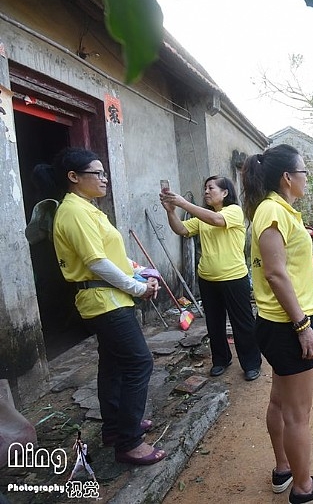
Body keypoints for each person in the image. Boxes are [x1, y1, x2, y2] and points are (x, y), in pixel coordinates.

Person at [33, 148, 165, 465]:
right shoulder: (74, 212)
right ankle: (129, 442)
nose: (104, 179)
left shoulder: (88, 209)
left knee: (114, 364)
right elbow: (96, 262)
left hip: (110, 300)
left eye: (105, 173)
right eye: (98, 173)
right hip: (105, 303)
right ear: (74, 177)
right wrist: (138, 287)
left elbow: (111, 256)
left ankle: (116, 429)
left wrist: (139, 271)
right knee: (139, 363)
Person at [242, 144, 313, 503]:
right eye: (303, 172)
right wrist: (302, 326)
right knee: (298, 414)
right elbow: (275, 273)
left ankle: (283, 470)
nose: (306, 179)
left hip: (280, 320)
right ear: (287, 177)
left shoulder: (277, 210)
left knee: (280, 402)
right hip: (288, 322)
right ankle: (303, 488)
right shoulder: (272, 211)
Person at [160, 176, 262, 381]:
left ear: (225, 193)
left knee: (242, 323)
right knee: (214, 323)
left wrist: (183, 203)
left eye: (211, 188)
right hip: (207, 278)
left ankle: (251, 363)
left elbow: (217, 220)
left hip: (234, 278)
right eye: (205, 188)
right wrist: (171, 212)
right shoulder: (202, 218)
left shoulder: (234, 211)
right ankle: (221, 360)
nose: (206, 191)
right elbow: (181, 229)